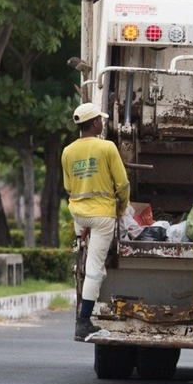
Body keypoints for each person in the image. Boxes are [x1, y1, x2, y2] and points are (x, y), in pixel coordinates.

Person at [62, 102, 130, 339]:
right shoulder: (107, 147)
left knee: (84, 262)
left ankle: (82, 315)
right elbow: (122, 185)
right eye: (100, 119)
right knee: (94, 270)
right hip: (102, 217)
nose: (102, 122)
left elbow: (69, 186)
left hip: (79, 214)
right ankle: (83, 322)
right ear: (94, 123)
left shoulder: (68, 151)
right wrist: (121, 209)